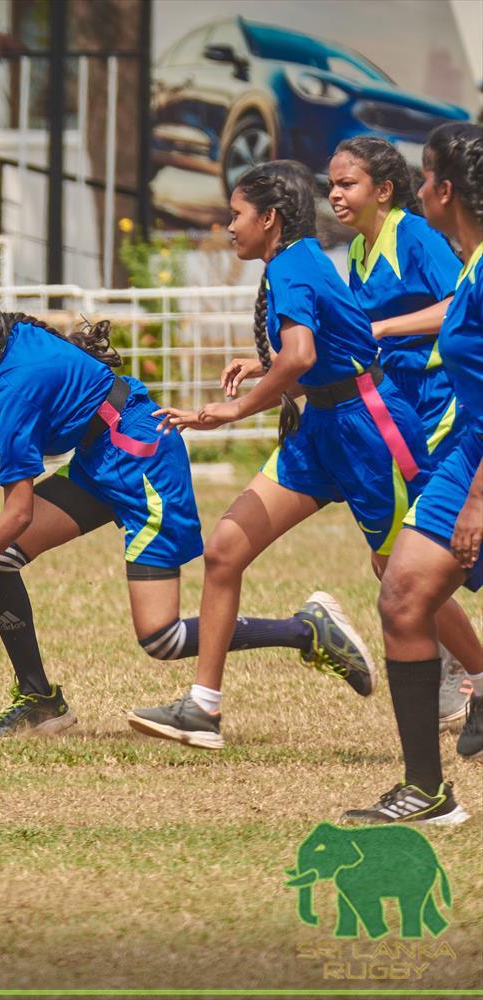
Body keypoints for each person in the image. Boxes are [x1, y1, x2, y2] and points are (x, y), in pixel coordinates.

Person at [0, 211, 371, 741]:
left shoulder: (12, 390)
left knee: (160, 638)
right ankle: (41, 701)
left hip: (143, 462)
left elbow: (16, 513)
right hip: (103, 455)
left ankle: (304, 630)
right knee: (2, 559)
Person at [134, 160, 445, 750]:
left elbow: (300, 354)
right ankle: (203, 709)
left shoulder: (294, 267)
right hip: (322, 428)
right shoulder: (292, 262)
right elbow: (318, 350)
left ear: (269, 218)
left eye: (236, 216)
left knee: (403, 576)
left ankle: (478, 680)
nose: (229, 228)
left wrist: (233, 409)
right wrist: (263, 366)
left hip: (370, 430)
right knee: (225, 548)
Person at [344, 122, 483, 826]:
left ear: (444, 189)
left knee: (401, 592)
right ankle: (426, 792)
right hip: (466, 450)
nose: (418, 188)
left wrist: (478, 501)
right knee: (401, 595)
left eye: (425, 177)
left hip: (477, 464)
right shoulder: (474, 262)